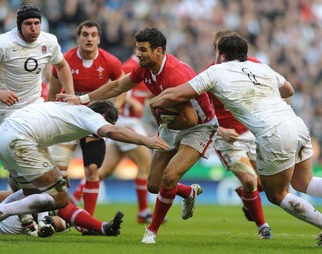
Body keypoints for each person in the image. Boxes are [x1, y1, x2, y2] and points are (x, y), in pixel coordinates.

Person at [149, 32, 322, 247]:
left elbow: (178, 95)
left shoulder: (215, 71)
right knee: (304, 182)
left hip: (272, 134)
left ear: (221, 55)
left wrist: (155, 102)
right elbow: (288, 89)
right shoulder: (260, 67)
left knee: (277, 194)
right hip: (296, 124)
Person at [56, 27, 218, 244]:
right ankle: (188, 193)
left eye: (143, 50)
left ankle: (151, 231)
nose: (138, 54)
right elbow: (117, 87)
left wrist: (161, 115)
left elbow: (190, 120)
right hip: (172, 124)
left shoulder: (174, 75)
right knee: (153, 184)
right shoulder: (145, 68)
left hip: (199, 126)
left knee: (169, 177)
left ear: (158, 51)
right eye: (137, 49)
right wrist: (83, 99)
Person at [0, 100, 169, 240]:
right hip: (21, 140)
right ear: (103, 116)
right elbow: (111, 130)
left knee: (33, 194)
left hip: (3, 137)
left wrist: (53, 171)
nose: (101, 134)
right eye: (106, 121)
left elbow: (42, 135)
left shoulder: (66, 109)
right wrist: (146, 140)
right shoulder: (89, 115)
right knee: (61, 199)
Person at [0, 3, 75, 230]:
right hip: (6, 112)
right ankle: (28, 216)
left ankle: (43, 219)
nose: (34, 28)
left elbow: (62, 65)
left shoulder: (49, 41)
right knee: (18, 172)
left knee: (38, 161)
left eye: (36, 23)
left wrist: (71, 95)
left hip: (34, 107)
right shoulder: (1, 43)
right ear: (19, 25)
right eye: (28, 24)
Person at [47, 20, 125, 217]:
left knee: (91, 169)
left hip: (93, 121)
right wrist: (48, 116)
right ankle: (56, 216)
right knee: (58, 171)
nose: (89, 38)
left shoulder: (111, 62)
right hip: (68, 118)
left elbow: (122, 85)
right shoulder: (65, 60)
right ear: (78, 38)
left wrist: (116, 108)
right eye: (85, 35)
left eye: (93, 35)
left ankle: (87, 219)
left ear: (99, 38)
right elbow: (53, 91)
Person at [207, 30, 271, 239]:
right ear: (216, 51)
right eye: (219, 50)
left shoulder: (253, 64)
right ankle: (263, 227)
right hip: (228, 137)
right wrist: (219, 130)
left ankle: (245, 193)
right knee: (251, 181)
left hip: (253, 132)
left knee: (269, 183)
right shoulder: (210, 74)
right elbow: (199, 111)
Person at [96, 53, 156, 223]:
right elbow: (117, 87)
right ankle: (144, 211)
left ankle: (75, 196)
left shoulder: (147, 68)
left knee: (104, 171)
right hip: (127, 122)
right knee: (145, 165)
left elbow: (145, 92)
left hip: (128, 122)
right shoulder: (130, 67)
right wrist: (130, 102)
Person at [0, 176, 124, 238]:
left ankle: (100, 228)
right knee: (48, 197)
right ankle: (99, 227)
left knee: (57, 210)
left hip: (8, 222)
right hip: (5, 223)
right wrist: (25, 193)